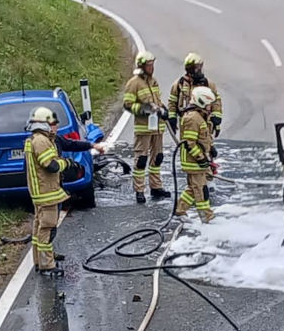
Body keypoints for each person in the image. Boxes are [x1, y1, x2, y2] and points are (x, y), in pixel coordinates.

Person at [23, 106, 104, 276]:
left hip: (40, 193)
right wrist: (67, 164)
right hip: (47, 193)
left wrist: (91, 146)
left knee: (39, 228)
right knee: (48, 228)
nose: (56, 126)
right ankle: (47, 265)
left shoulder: (36, 139)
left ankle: (40, 260)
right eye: (53, 123)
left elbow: (68, 145)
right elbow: (51, 166)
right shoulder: (41, 141)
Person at [122, 51, 172, 204]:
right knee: (141, 160)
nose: (152, 68)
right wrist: (145, 109)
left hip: (157, 127)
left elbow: (157, 101)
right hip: (143, 128)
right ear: (142, 66)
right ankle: (139, 190)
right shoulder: (134, 83)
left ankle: (156, 187)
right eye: (149, 65)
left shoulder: (153, 81)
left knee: (158, 158)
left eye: (152, 65)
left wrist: (165, 112)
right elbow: (128, 105)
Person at [173, 86, 218, 223]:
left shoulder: (199, 116)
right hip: (193, 161)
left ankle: (180, 210)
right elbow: (190, 143)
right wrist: (201, 158)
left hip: (198, 160)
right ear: (201, 102)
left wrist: (211, 148)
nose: (210, 107)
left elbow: (202, 138)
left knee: (193, 189)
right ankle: (207, 217)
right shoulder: (193, 118)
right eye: (209, 104)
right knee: (201, 190)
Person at [167, 52, 223, 144]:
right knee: (188, 145)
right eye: (197, 67)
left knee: (205, 146)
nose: (200, 70)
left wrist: (217, 120)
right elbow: (172, 102)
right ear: (189, 69)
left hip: (205, 122)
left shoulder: (208, 84)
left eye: (200, 66)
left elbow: (216, 101)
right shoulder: (179, 84)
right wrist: (172, 118)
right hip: (187, 123)